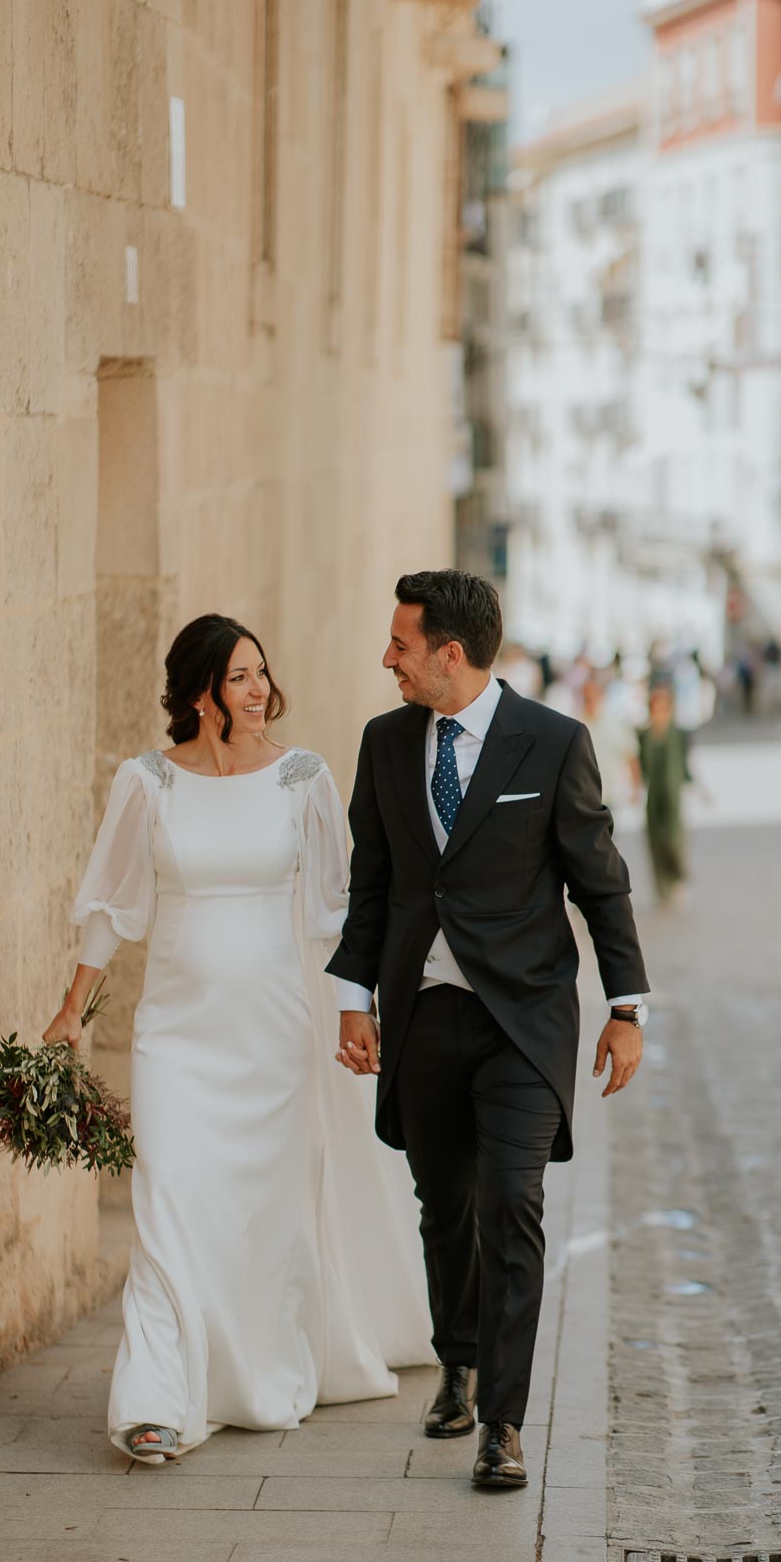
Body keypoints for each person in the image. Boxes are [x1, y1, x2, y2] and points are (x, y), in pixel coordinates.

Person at [45, 614, 432, 1463]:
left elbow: (338, 913)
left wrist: (354, 1010)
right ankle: (155, 1397)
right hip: (176, 1037)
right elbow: (112, 907)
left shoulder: (303, 779)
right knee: (168, 1206)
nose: (260, 689)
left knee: (265, 1210)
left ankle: (252, 1372)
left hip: (273, 1034)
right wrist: (72, 1008)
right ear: (200, 695)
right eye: (240, 677)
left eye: (261, 672)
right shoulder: (146, 783)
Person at [327, 571, 649, 1491]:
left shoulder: (551, 744)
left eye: (400, 644)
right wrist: (356, 996)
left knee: (512, 1204)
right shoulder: (386, 745)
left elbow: (600, 882)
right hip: (424, 1017)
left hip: (523, 1022)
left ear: (449, 653)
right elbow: (374, 886)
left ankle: (501, 1422)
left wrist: (625, 1010)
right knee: (446, 1204)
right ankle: (456, 1363)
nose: (387, 658)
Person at [637, 679, 692, 905]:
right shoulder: (644, 734)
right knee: (654, 840)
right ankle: (661, 888)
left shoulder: (678, 733)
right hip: (653, 794)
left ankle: (677, 877)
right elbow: (640, 764)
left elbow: (684, 762)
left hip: (673, 794)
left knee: (673, 839)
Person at [581, 671, 641, 808]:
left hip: (612, 793)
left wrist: (635, 788)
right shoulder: (576, 724)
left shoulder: (617, 724)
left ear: (600, 695)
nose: (589, 700)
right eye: (586, 697)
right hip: (585, 795)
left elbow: (631, 756)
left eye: (592, 695)